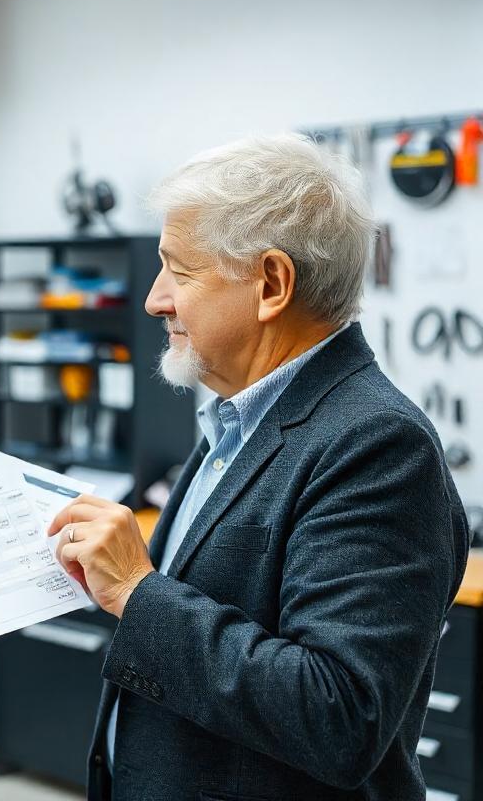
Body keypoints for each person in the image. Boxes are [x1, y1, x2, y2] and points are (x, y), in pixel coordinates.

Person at [49, 134, 468, 800]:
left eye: (179, 272)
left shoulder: (378, 445)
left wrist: (138, 590)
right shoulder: (236, 418)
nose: (156, 299)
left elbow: (339, 714)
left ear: (271, 283)